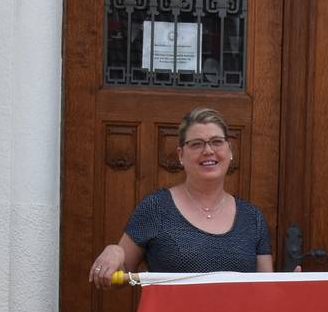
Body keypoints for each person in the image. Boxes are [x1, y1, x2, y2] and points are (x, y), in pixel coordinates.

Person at [89, 107, 272, 285]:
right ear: (181, 155)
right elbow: (118, 277)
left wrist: (296, 286)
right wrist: (114, 251)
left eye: (217, 141)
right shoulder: (156, 208)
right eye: (196, 144)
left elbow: (266, 292)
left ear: (230, 151)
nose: (208, 150)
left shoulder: (253, 218)